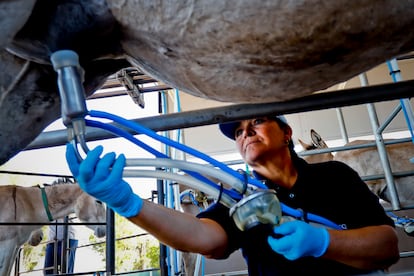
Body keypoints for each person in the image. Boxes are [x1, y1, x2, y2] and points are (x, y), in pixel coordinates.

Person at [65, 115, 400, 275]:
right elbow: (201, 236)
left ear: (287, 133)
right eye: (238, 132)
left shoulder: (334, 176)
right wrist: (127, 204)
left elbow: (387, 248)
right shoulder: (237, 197)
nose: (245, 133)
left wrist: (325, 242)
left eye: (258, 122)